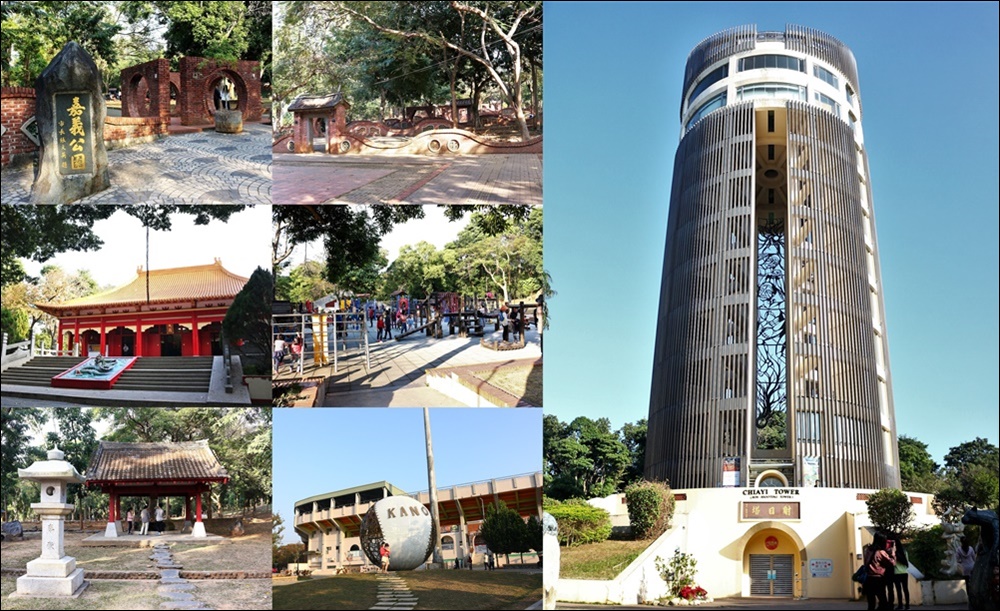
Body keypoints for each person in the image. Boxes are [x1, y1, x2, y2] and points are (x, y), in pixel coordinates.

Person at [864, 533, 896, 611]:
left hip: (868, 578)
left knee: (871, 604)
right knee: (883, 603)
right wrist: (893, 552)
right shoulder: (881, 552)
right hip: (878, 579)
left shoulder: (868, 550)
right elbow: (892, 563)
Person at [892, 540, 910, 611]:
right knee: (906, 589)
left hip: (896, 573)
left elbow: (893, 564)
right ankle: (907, 605)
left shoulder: (894, 554)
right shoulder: (905, 552)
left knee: (899, 590)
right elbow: (907, 562)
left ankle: (900, 605)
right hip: (904, 573)